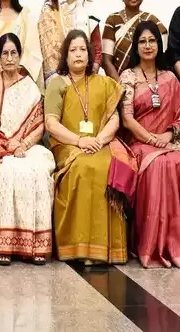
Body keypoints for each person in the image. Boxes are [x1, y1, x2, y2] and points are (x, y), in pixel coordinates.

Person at [111, 20, 180, 268]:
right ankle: (151, 246)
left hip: (167, 141)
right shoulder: (128, 77)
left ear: (159, 44)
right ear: (136, 46)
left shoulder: (170, 78)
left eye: (152, 40)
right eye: (142, 41)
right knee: (157, 167)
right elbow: (127, 119)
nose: (147, 45)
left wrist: (168, 135)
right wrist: (151, 138)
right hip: (139, 143)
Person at [44, 30, 125, 265]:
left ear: (89, 55)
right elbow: (51, 123)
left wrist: (100, 139)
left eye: (82, 49)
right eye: (73, 50)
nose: (78, 54)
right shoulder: (57, 84)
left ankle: (106, 250)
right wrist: (80, 141)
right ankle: (77, 247)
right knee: (82, 167)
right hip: (68, 145)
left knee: (108, 166)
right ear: (65, 56)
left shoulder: (103, 82)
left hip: (101, 142)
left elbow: (115, 119)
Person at [0, 32, 53, 265]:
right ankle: (4, 245)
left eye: (14, 53)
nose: (9, 58)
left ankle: (35, 245)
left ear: (20, 56)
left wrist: (24, 144)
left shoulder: (30, 86)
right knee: (6, 172)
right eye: (5, 54)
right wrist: (8, 145)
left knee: (38, 170)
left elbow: (39, 124)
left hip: (28, 146)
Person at [38, 0, 102, 85]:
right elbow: (48, 53)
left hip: (87, 75)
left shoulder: (88, 7)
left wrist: (92, 72)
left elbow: (96, 46)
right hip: (59, 78)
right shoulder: (49, 10)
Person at [101, 0, 168, 80]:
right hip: (118, 85)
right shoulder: (112, 20)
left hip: (147, 85)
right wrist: (122, 86)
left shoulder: (152, 21)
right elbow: (106, 60)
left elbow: (162, 55)